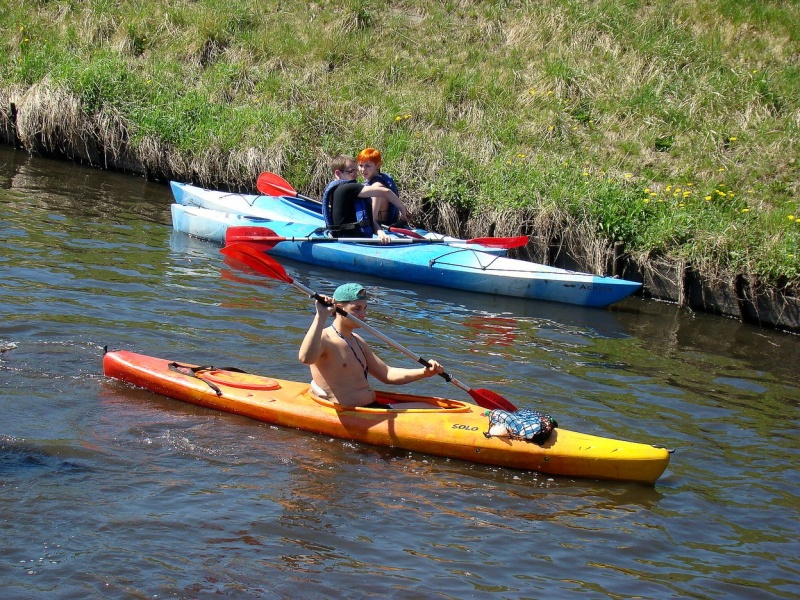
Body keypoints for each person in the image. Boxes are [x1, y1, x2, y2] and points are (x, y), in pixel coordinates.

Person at [298, 282, 444, 408]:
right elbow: (305, 358)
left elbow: (387, 374)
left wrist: (424, 372)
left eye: (365, 308)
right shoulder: (324, 337)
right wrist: (321, 316)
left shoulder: (357, 340)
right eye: (356, 309)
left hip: (372, 408)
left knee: (434, 408)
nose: (363, 314)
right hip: (351, 414)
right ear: (339, 308)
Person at [320, 154, 403, 242]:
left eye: (356, 170)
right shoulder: (348, 188)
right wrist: (403, 209)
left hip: (348, 236)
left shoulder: (338, 188)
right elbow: (385, 192)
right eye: (351, 171)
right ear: (338, 173)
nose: (356, 175)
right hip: (350, 241)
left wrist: (380, 232)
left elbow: (368, 219)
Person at [356, 147, 410, 227]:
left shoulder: (377, 186)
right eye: (360, 165)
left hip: (381, 226)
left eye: (368, 166)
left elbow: (373, 218)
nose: (363, 169)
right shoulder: (383, 178)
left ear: (378, 165)